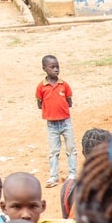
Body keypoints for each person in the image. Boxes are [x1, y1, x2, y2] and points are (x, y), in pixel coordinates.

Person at [37, 55, 75, 189]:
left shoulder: (64, 85)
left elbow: (69, 102)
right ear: (44, 69)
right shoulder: (41, 87)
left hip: (65, 121)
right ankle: (54, 176)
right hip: (52, 124)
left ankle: (72, 174)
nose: (56, 70)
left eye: (57, 67)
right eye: (52, 67)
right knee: (54, 151)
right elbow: (39, 103)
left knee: (71, 149)